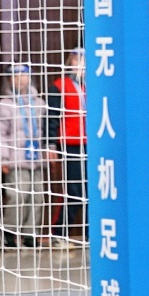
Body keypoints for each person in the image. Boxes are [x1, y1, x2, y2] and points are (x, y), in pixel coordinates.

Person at [0, 64, 52, 248]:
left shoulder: (39, 103)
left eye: (23, 75)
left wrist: (49, 149)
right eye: (15, 76)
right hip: (15, 160)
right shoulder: (4, 104)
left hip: (37, 159)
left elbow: (47, 130)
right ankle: (9, 233)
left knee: (37, 197)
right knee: (17, 196)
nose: (19, 79)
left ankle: (30, 234)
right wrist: (2, 158)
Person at [52, 48, 86, 246]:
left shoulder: (90, 86)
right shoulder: (60, 85)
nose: (80, 64)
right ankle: (59, 233)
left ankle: (92, 234)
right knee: (74, 190)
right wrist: (50, 143)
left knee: (92, 190)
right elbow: (52, 117)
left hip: (90, 144)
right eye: (77, 60)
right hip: (70, 143)